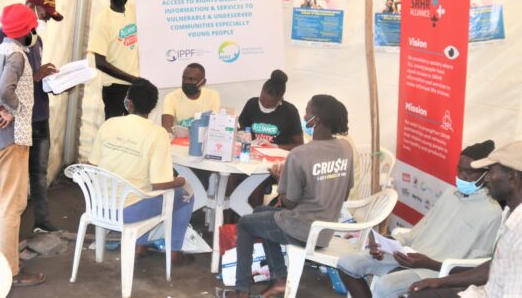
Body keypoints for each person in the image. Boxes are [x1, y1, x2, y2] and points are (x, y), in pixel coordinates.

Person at [219, 94, 354, 298]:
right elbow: (345, 191)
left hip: (303, 228)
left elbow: (289, 203)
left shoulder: (300, 154)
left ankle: (241, 291)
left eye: (307, 112)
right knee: (260, 213)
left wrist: (281, 179)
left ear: (315, 120)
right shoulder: (345, 148)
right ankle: (280, 279)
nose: (304, 116)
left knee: (246, 223)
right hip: (327, 228)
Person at [337, 140, 502, 298]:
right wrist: (388, 243)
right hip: (409, 255)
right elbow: (416, 232)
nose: (461, 176)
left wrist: (430, 263)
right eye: (459, 169)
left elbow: (475, 266)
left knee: (386, 285)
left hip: (435, 270)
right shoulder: (450, 193)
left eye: (469, 172)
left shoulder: (492, 213)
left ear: (486, 175)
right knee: (347, 262)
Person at [89, 78, 195, 264]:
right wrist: (181, 181)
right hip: (129, 212)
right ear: (153, 107)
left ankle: (141, 245)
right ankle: (174, 252)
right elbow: (160, 183)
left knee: (144, 190)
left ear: (128, 102)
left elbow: (93, 164)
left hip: (98, 206)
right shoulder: (158, 133)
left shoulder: (110, 124)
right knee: (186, 194)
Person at [0, 0, 63, 234]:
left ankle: (40, 221)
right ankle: (8, 254)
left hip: (38, 114)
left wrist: (51, 81)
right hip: (15, 125)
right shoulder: (3, 38)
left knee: (37, 175)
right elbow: (3, 84)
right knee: (13, 196)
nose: (44, 22)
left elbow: (22, 79)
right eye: (43, 15)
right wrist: (17, 107)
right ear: (30, 7)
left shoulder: (34, 39)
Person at [408, 141, 522, 298]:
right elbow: (494, 265)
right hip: (484, 292)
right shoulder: (510, 213)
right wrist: (440, 282)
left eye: (491, 172)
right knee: (421, 293)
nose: (487, 179)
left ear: (512, 177)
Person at [0, 3, 46, 287]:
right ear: (27, 31)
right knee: (12, 205)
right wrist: (16, 109)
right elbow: (5, 90)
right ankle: (10, 270)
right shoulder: (18, 55)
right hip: (13, 139)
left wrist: (7, 107)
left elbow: (0, 90)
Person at [231, 70, 304, 211]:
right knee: (231, 178)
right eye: (262, 100)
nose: (263, 106)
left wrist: (275, 145)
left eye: (269, 104)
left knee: (257, 182)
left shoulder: (290, 111)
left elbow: (299, 145)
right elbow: (242, 130)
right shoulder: (252, 104)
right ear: (261, 91)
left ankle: (252, 221)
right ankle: (228, 225)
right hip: (250, 159)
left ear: (280, 99)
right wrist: (242, 136)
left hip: (274, 166)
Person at [88, 0, 140, 120]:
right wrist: (132, 79)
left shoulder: (134, 10)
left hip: (135, 85)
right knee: (115, 131)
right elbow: (100, 62)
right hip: (115, 87)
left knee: (133, 129)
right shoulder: (103, 21)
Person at [161, 62, 220, 133]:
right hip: (178, 141)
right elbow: (166, 129)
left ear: (203, 82)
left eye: (192, 79)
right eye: (184, 78)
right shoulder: (171, 97)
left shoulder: (213, 95)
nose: (186, 82)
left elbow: (214, 125)